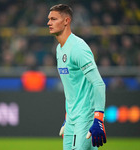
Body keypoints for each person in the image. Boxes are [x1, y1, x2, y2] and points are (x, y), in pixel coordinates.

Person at [47, 4, 107, 150]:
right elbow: (72, 88)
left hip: (85, 117)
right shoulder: (59, 50)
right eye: (49, 19)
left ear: (66, 21)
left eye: (54, 19)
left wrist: (98, 118)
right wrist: (68, 116)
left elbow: (99, 84)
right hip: (71, 119)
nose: (49, 23)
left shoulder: (78, 48)